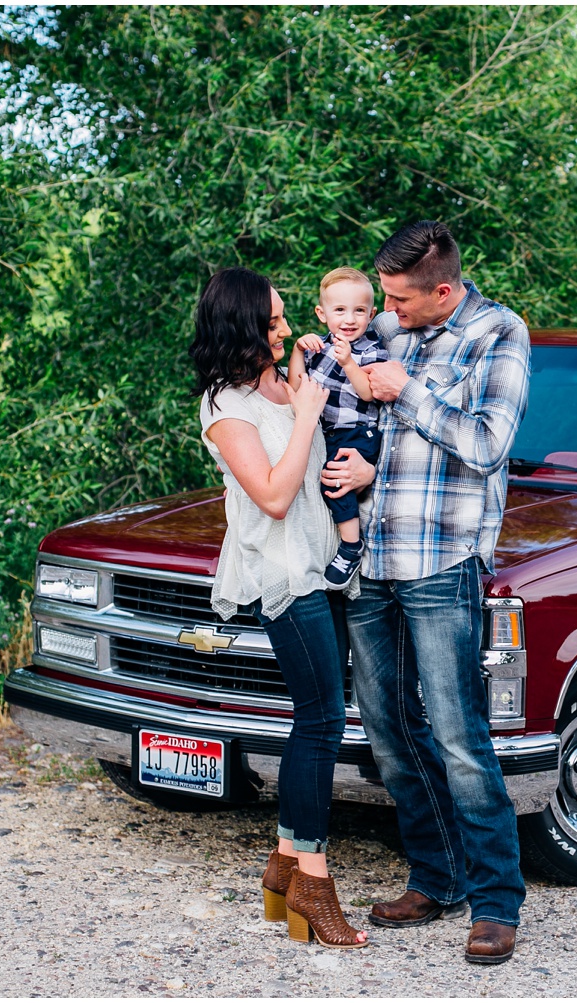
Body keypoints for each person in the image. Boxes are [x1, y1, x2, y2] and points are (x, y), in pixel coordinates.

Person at [326, 220, 532, 965]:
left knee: (458, 735)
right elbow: (344, 372)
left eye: (401, 298)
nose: (387, 309)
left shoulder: (499, 335)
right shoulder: (390, 325)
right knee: (387, 727)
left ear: (442, 291)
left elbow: (486, 443)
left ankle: (496, 901)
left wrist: (408, 391)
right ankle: (436, 875)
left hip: (442, 561)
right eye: (383, 296)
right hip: (373, 557)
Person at [189, 266, 369, 950]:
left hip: (312, 566)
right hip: (282, 578)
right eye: (274, 321)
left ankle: (283, 869)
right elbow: (271, 493)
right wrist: (305, 416)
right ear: (241, 327)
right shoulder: (225, 406)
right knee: (321, 723)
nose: (288, 328)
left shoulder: (277, 378)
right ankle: (313, 886)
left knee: (314, 720)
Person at [286, 267, 387, 587]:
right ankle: (323, 544)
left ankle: (351, 547)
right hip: (326, 432)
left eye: (359, 311)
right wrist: (297, 351)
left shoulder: (372, 349)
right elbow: (296, 388)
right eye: (340, 310)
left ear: (371, 314)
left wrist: (348, 363)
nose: (349, 319)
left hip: (358, 431)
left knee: (336, 481)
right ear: (322, 313)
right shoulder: (318, 347)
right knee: (314, 482)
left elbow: (369, 393)